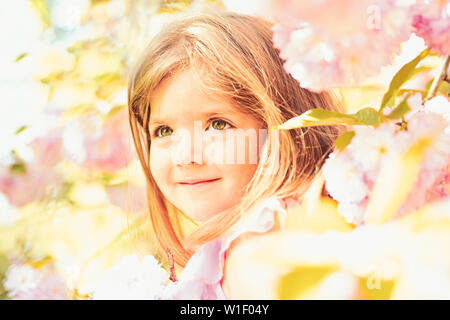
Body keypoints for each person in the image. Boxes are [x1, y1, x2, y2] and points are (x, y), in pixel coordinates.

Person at [127, 9, 342, 299]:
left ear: (281, 129)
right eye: (164, 131)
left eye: (217, 125)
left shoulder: (256, 253)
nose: (186, 157)